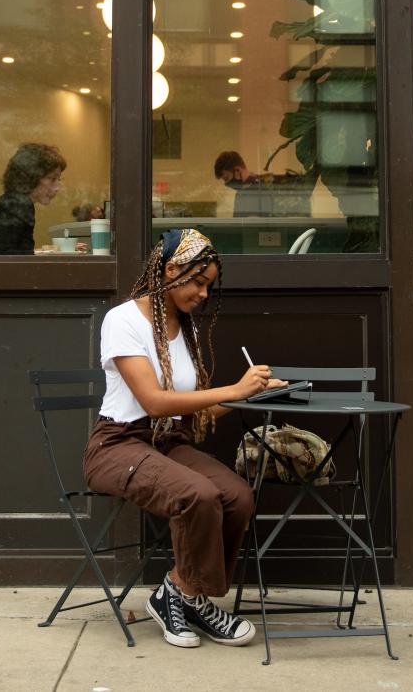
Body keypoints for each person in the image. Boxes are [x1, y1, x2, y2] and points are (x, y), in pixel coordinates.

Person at [83, 228, 287, 649]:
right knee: (198, 494)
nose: (204, 293)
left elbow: (197, 408)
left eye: (209, 285)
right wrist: (234, 388)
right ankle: (188, 596)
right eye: (198, 281)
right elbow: (154, 402)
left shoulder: (185, 329)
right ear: (171, 270)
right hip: (118, 445)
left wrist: (253, 393)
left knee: (236, 495)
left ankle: (182, 593)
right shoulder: (122, 320)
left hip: (166, 443)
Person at [0, 143, 66, 255]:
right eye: (52, 179)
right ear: (32, 177)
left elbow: (14, 253)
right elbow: (10, 259)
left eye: (58, 179)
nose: (57, 188)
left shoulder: (13, 201)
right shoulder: (20, 204)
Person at [213, 150, 311, 217]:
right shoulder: (241, 194)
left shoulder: (267, 186)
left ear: (238, 170)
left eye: (226, 178)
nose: (226, 183)